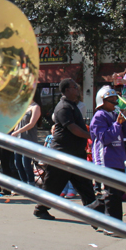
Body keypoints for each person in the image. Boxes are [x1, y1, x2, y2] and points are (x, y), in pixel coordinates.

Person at [33, 78, 95, 220]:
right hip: (62, 154)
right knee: (53, 185)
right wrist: (91, 135)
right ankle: (40, 209)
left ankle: (94, 212)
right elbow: (74, 129)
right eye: (75, 87)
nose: (77, 89)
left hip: (76, 153)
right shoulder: (63, 107)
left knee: (85, 184)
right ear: (67, 90)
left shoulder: (73, 106)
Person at [88, 86, 126, 223]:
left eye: (115, 100)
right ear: (102, 101)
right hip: (106, 159)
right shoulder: (99, 117)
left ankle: (92, 212)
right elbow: (105, 138)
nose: (115, 103)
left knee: (116, 193)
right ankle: (113, 224)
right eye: (111, 100)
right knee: (112, 193)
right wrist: (117, 124)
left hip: (118, 157)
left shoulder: (114, 115)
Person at [11, 98, 41, 186]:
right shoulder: (24, 107)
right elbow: (18, 122)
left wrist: (17, 131)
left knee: (26, 163)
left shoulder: (36, 107)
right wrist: (15, 131)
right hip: (19, 139)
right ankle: (24, 183)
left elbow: (31, 124)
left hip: (29, 139)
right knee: (18, 163)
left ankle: (31, 183)